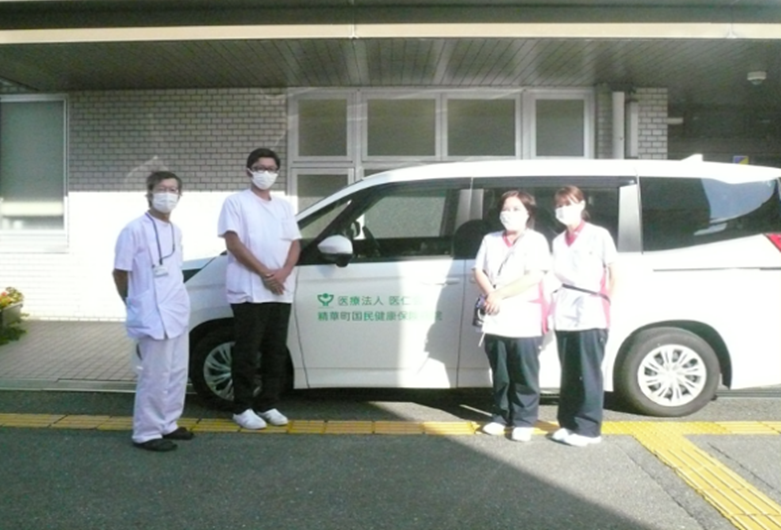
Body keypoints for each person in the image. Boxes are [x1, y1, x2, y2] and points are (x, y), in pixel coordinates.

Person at [217, 147, 301, 430]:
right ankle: (242, 407)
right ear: (249, 171)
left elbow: (295, 243)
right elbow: (233, 243)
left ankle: (268, 403)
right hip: (249, 289)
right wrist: (266, 273)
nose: (265, 173)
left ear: (277, 173)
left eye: (271, 169)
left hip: (280, 289)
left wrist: (283, 273)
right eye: (260, 168)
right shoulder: (236, 202)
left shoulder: (284, 206)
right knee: (247, 351)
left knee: (275, 350)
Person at [112, 171, 193, 452]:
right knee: (154, 375)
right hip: (151, 312)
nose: (167, 194)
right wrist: (131, 301)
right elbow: (120, 271)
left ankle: (168, 423)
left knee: (177, 372)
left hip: (176, 309)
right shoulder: (134, 229)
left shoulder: (176, 230)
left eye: (173, 190)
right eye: (162, 188)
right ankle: (146, 432)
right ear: (149, 193)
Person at [473, 190, 550, 442]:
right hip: (495, 315)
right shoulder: (490, 239)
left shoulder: (536, 240)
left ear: (529, 213)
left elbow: (534, 275)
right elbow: (478, 270)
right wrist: (491, 294)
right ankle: (500, 416)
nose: (510, 214)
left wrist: (499, 294)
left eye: (516, 209)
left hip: (524, 316)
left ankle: (523, 420)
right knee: (501, 371)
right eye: (506, 209)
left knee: (524, 372)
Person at [549, 185, 617, 447]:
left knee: (588, 372)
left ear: (581, 204)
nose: (563, 209)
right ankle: (568, 423)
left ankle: (589, 429)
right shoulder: (557, 241)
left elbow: (614, 272)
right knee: (569, 372)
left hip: (591, 308)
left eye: (568, 203)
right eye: (559, 205)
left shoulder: (598, 235)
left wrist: (606, 299)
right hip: (565, 307)